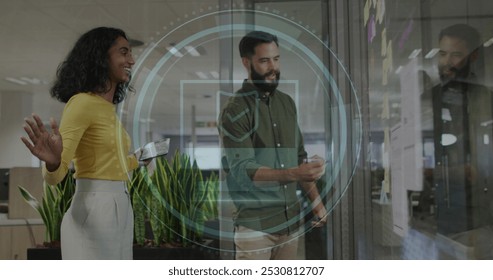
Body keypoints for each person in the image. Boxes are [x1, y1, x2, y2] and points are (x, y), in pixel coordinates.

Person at [21, 27, 143, 259]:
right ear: (100, 57)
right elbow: (56, 176)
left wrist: (138, 159)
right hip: (96, 209)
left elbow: (109, 165)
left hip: (120, 204)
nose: (132, 60)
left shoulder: (106, 108)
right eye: (124, 52)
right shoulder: (82, 103)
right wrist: (54, 162)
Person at [218, 30, 327, 260]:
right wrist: (294, 173)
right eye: (264, 60)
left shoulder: (287, 103)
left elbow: (299, 158)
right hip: (255, 227)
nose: (273, 67)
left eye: (276, 59)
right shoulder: (235, 110)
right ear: (246, 62)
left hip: (290, 223)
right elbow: (244, 170)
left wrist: (316, 204)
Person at [421, 23, 493, 258]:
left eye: (456, 55)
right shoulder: (430, 100)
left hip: (476, 221)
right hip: (436, 223)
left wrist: (438, 172)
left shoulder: (483, 99)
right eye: (442, 54)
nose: (446, 62)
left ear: (472, 56)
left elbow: (475, 168)